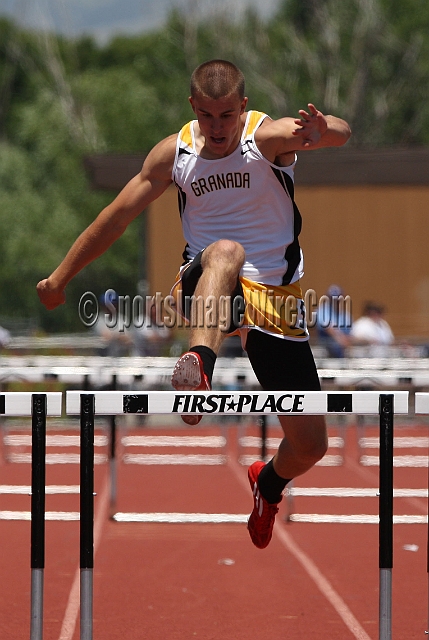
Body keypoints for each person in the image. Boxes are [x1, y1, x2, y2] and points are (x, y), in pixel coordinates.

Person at [36, 59, 351, 549]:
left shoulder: (265, 138)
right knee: (227, 252)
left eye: (226, 116)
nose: (217, 128)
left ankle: (267, 484)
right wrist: (59, 278)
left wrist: (321, 128)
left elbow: (340, 135)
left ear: (242, 108)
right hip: (204, 281)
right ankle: (198, 363)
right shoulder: (175, 154)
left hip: (276, 299)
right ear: (193, 109)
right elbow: (115, 218)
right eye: (207, 116)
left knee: (311, 444)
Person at [316, 284, 352, 358]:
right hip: (326, 350)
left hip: (343, 351)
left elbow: (350, 334)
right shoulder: (322, 311)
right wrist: (341, 339)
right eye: (332, 298)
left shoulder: (346, 315)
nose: (336, 300)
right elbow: (328, 328)